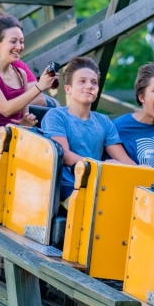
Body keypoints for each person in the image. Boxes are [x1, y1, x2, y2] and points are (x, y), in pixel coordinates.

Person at [41, 56, 134, 201]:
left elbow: (122, 158)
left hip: (97, 185)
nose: (89, 86)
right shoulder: (56, 116)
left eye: (94, 82)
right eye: (82, 81)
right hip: (67, 186)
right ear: (68, 89)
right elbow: (64, 155)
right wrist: (101, 166)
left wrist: (143, 174)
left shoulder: (103, 121)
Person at [0, 9, 56, 141]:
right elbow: (5, 109)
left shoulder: (21, 74)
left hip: (14, 139)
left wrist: (26, 123)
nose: (19, 46)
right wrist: (39, 87)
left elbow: (23, 117)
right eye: (13, 41)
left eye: (21, 41)